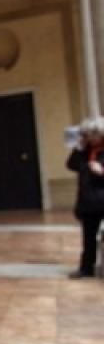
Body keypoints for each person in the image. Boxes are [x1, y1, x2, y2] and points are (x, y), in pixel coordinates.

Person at [66, 116, 104, 278]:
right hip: (88, 201)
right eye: (85, 135)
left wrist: (102, 172)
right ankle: (86, 269)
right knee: (88, 238)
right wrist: (78, 149)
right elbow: (71, 165)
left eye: (90, 135)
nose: (87, 138)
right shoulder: (85, 151)